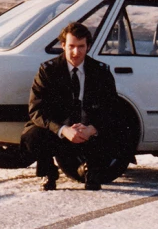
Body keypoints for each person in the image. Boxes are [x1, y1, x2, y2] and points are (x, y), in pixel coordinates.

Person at [20, 22, 126, 190]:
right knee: (32, 135)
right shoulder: (48, 71)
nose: (76, 52)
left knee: (120, 129)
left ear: (88, 46)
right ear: (63, 45)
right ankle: (49, 173)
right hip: (60, 131)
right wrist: (63, 130)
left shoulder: (101, 72)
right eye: (71, 46)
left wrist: (93, 128)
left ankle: (93, 168)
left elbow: (112, 109)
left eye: (81, 46)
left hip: (89, 131)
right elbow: (36, 110)